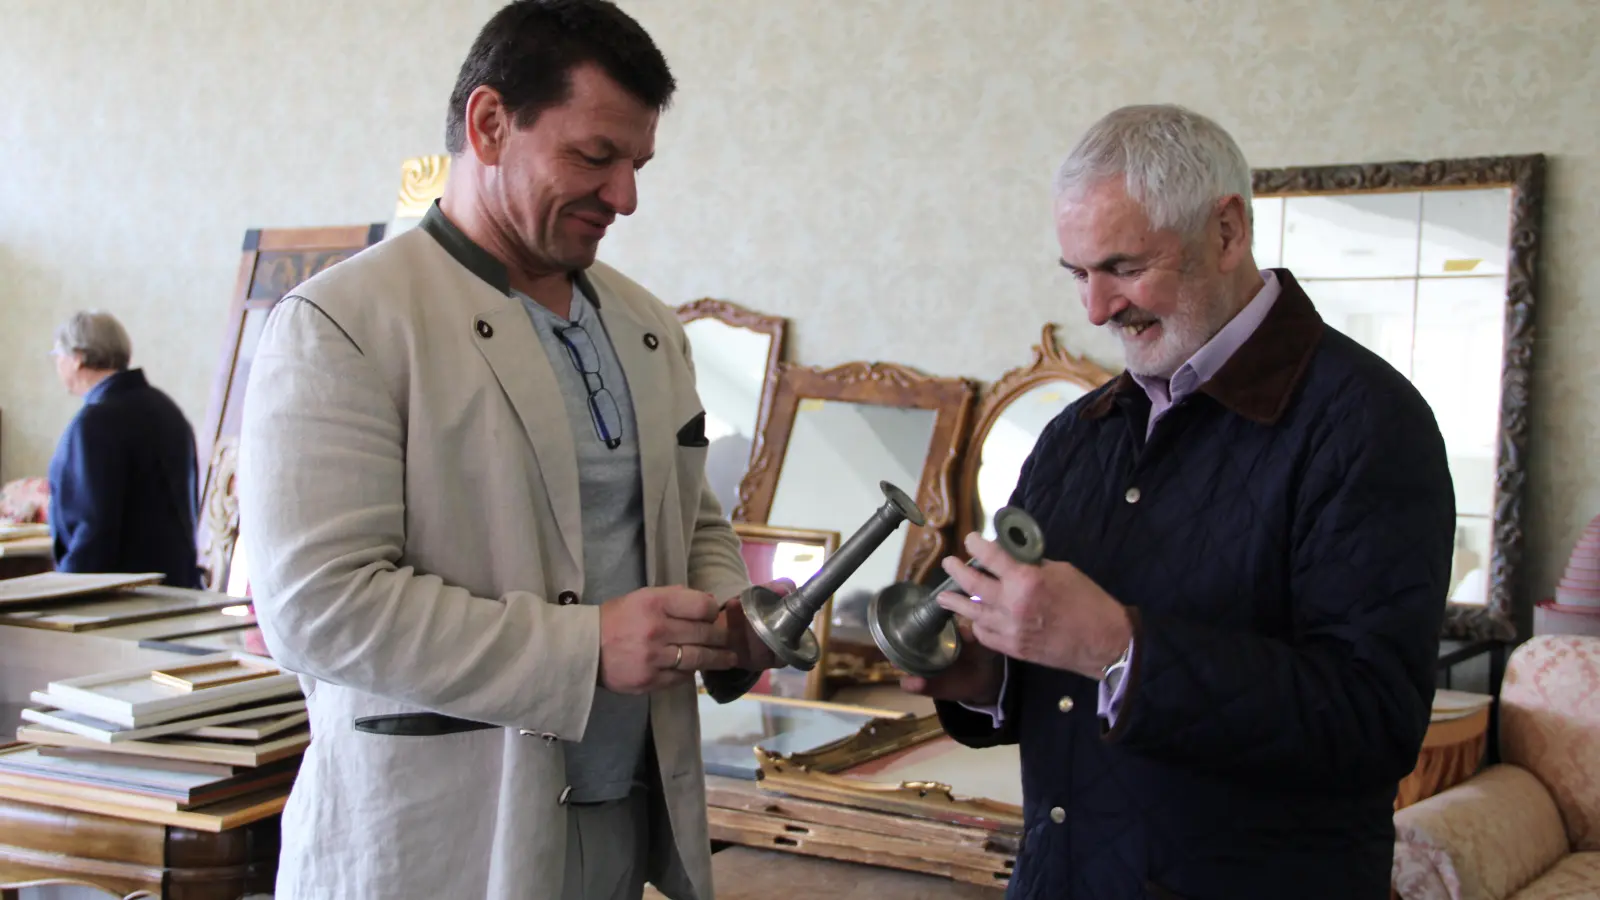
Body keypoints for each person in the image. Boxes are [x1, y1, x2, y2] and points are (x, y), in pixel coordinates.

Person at [236, 3, 786, 898]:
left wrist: (728, 616)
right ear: (490, 124)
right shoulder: (344, 324)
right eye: (595, 156)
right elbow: (319, 607)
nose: (625, 198)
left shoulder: (649, 326)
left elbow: (689, 517)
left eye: (637, 165)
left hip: (624, 829)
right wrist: (583, 648)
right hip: (433, 846)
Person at [909, 105, 1455, 899]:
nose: (1095, 310)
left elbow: (1373, 722)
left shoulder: (1369, 422)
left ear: (1227, 231)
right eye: (1076, 274)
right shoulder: (1076, 434)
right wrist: (980, 671)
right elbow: (1056, 687)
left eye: (1124, 267)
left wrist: (1120, 647)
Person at [47, 310, 201, 588]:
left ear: (78, 357)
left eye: (58, 354)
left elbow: (92, 529)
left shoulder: (95, 422)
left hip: (118, 597)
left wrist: (64, 589)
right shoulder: (165, 408)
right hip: (176, 585)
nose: (57, 363)